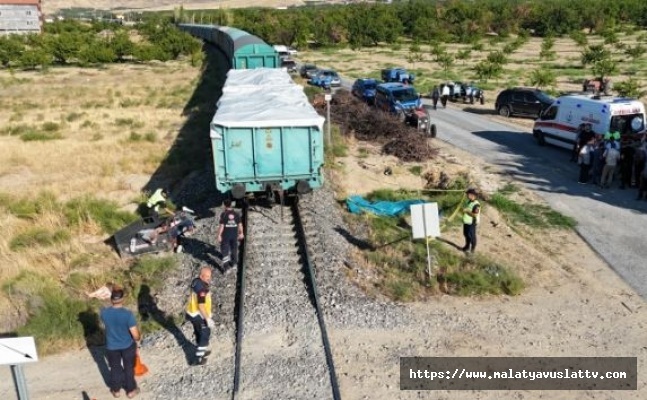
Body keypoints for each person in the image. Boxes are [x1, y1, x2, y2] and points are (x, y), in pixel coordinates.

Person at [100, 286, 141, 399]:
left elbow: (104, 308)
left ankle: (116, 391)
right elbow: (135, 335)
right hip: (127, 345)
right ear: (123, 299)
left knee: (115, 368)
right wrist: (138, 338)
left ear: (111, 299)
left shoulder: (104, 313)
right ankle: (131, 391)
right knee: (128, 368)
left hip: (111, 346)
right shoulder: (128, 314)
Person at [185, 267, 214, 366]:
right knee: (204, 335)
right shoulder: (201, 289)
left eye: (210, 276)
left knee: (198, 332)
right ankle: (197, 359)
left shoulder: (196, 282)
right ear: (201, 276)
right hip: (199, 315)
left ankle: (201, 351)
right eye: (207, 277)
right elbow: (201, 305)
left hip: (192, 313)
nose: (209, 279)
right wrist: (207, 319)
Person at [217, 199, 244, 271]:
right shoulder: (236, 214)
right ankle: (234, 263)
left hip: (226, 236)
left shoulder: (224, 214)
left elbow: (222, 226)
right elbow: (240, 224)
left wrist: (219, 235)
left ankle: (226, 267)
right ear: (231, 205)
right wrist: (241, 233)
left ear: (225, 206)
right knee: (234, 249)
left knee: (225, 250)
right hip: (234, 235)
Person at [461, 188, 480, 254]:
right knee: (466, 234)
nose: (467, 195)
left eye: (468, 194)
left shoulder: (476, 204)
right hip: (466, 222)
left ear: (472, 195)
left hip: (472, 222)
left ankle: (472, 250)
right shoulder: (469, 201)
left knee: (472, 236)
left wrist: (466, 211)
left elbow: (474, 215)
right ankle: (467, 246)